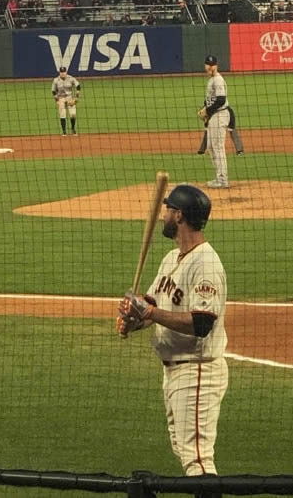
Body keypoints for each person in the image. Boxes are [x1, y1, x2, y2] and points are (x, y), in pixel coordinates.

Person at [115, 183, 228, 476]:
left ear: (179, 216)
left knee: (198, 460)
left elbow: (202, 323)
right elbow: (152, 306)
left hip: (197, 369)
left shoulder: (206, 263)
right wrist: (134, 318)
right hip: (174, 372)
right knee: (185, 451)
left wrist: (149, 311)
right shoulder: (171, 259)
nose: (163, 215)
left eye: (168, 209)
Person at [199, 55, 231, 188]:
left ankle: (223, 180)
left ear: (216, 66)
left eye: (213, 65)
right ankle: (219, 177)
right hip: (214, 116)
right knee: (211, 147)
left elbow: (221, 100)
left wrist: (207, 110)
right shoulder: (211, 80)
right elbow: (211, 100)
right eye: (208, 64)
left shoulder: (218, 80)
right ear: (205, 66)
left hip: (220, 115)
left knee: (217, 146)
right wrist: (206, 111)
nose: (210, 67)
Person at [51, 67, 81, 135]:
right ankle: (64, 131)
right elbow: (53, 91)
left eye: (64, 72)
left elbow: (78, 86)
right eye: (61, 72)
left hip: (69, 97)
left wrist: (76, 97)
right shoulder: (56, 80)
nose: (63, 73)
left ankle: (73, 129)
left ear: (66, 72)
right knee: (62, 114)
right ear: (59, 73)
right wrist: (57, 101)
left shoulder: (71, 78)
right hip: (61, 98)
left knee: (73, 114)